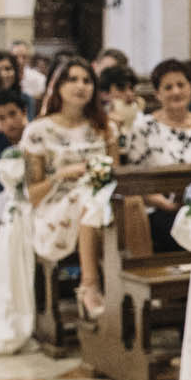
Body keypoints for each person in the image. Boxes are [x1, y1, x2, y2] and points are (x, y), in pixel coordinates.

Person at [20, 57, 119, 317]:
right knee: (89, 201)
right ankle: (89, 286)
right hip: (56, 206)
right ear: (57, 86)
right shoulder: (38, 130)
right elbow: (32, 195)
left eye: (87, 81)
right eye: (72, 79)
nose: (81, 86)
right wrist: (60, 175)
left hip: (104, 200)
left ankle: (130, 283)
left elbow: (118, 175)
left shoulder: (105, 128)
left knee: (127, 203)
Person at [122, 59, 191, 249]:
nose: (176, 92)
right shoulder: (143, 128)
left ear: (190, 88)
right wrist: (166, 204)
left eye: (181, 85)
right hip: (161, 210)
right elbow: (134, 181)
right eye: (168, 87)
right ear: (157, 94)